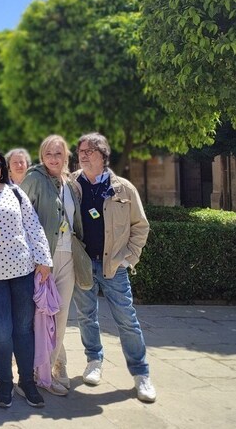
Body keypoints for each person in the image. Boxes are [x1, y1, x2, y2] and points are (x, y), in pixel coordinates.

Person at [71, 133, 156, 403]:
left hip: (113, 267)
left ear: (103, 155)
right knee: (86, 317)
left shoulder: (123, 188)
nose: (84, 155)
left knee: (127, 320)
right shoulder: (71, 185)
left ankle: (141, 374)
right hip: (83, 265)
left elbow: (140, 226)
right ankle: (94, 361)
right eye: (81, 151)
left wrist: (128, 258)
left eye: (90, 151)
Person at [0, 146, 53, 410]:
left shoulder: (14, 193)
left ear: (2, 170)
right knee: (0, 332)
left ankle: (26, 382)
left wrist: (44, 260)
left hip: (22, 272)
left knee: (23, 330)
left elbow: (33, 226)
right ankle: (5, 382)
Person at [20, 135, 93, 396]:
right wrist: (37, 257)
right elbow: (21, 218)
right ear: (42, 156)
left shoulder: (71, 184)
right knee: (39, 317)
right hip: (42, 260)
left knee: (60, 317)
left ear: (66, 157)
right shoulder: (34, 178)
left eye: (58, 154)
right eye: (49, 154)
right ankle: (32, 373)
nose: (53, 158)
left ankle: (47, 372)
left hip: (68, 257)